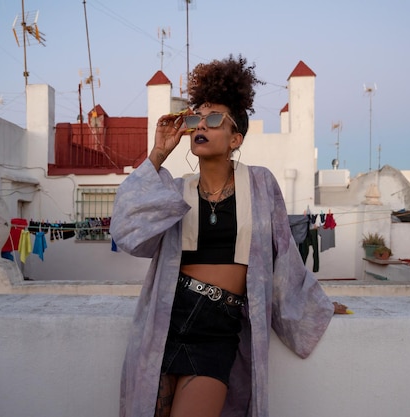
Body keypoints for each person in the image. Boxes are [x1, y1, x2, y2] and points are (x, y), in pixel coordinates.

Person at [110, 54, 349, 417]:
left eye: (214, 118)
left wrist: (316, 305)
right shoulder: (173, 190)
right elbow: (128, 234)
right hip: (166, 322)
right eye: (195, 118)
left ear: (235, 137)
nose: (201, 124)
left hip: (218, 329)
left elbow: (284, 255)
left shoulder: (261, 183)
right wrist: (157, 154)